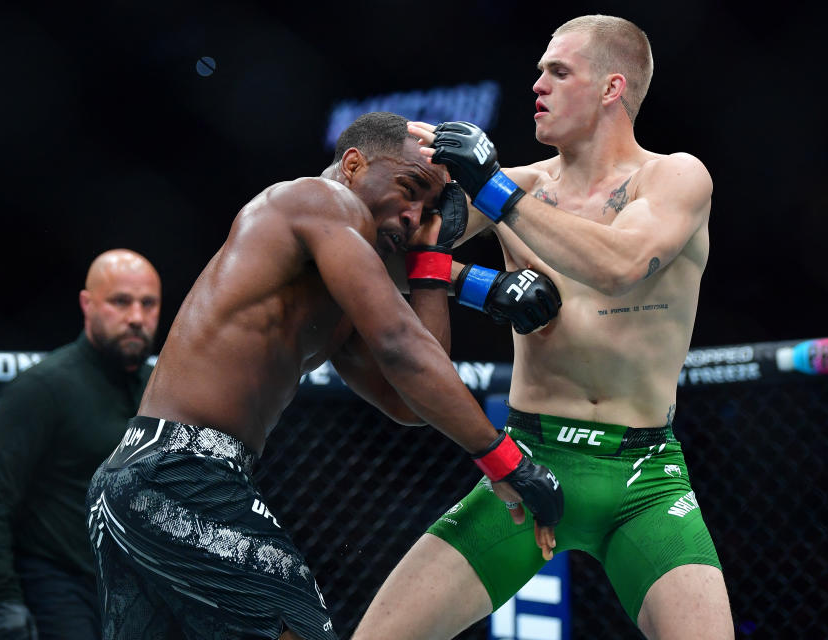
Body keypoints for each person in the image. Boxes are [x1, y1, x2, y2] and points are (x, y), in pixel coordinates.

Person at [84, 112, 563, 640]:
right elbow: (402, 346)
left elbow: (409, 400)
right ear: (354, 165)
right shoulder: (317, 199)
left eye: (426, 209)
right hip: (181, 472)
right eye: (408, 188)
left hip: (142, 477)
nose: (411, 215)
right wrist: (507, 462)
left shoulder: (333, 294)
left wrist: (433, 256)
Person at [352, 15, 734, 640]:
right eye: (539, 72)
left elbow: (621, 265)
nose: (538, 85)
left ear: (613, 88)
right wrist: (474, 284)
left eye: (558, 72)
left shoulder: (675, 178)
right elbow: (373, 256)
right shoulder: (522, 186)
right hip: (529, 463)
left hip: (644, 480)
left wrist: (496, 194)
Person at [0, 249, 162, 640]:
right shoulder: (42, 388)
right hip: (58, 584)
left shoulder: (162, 393)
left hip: (140, 589)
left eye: (148, 304)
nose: (136, 317)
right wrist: (1, 599)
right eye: (120, 301)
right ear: (87, 304)